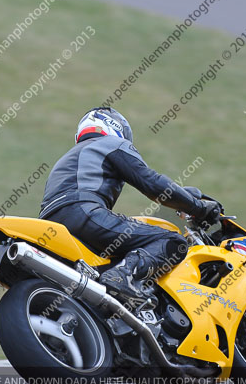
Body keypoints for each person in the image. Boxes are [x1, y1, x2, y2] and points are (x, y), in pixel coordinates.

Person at [39, 107, 220, 304]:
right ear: (115, 127)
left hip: (50, 226)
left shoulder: (67, 159)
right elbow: (152, 183)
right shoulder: (111, 143)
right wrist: (198, 208)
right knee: (173, 241)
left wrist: (185, 196)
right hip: (84, 213)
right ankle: (122, 275)